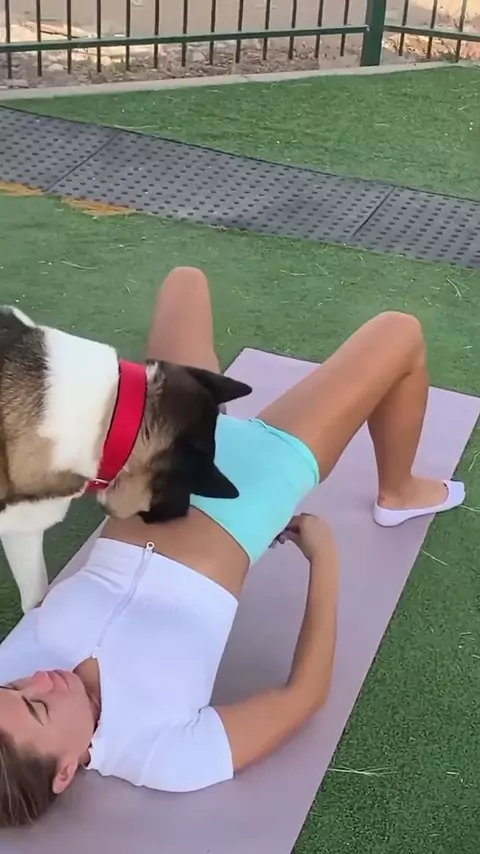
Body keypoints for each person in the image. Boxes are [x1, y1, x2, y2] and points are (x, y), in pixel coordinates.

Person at [0, 267, 465, 827]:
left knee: (184, 282)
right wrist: (324, 561)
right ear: (64, 772)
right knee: (399, 332)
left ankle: (211, 410)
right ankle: (399, 490)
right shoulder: (160, 755)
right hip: (252, 486)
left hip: (155, 459)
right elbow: (302, 697)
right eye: (37, 706)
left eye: (15, 687)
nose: (38, 680)